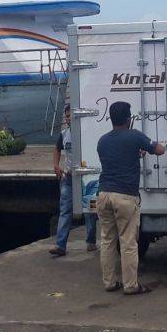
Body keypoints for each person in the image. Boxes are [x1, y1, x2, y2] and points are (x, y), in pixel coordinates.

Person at [96, 100, 165, 296]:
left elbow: (119, 157)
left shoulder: (102, 141)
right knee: (128, 242)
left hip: (103, 194)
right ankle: (131, 285)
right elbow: (159, 150)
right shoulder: (134, 136)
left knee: (107, 240)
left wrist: (136, 153)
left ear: (111, 119)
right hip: (125, 196)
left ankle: (109, 282)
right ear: (128, 119)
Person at [50, 104, 97, 256]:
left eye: (71, 115)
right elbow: (57, 149)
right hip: (68, 179)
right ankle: (60, 245)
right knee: (65, 210)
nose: (69, 118)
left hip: (86, 178)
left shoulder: (87, 134)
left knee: (90, 210)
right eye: (67, 116)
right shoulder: (64, 134)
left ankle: (91, 241)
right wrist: (56, 165)